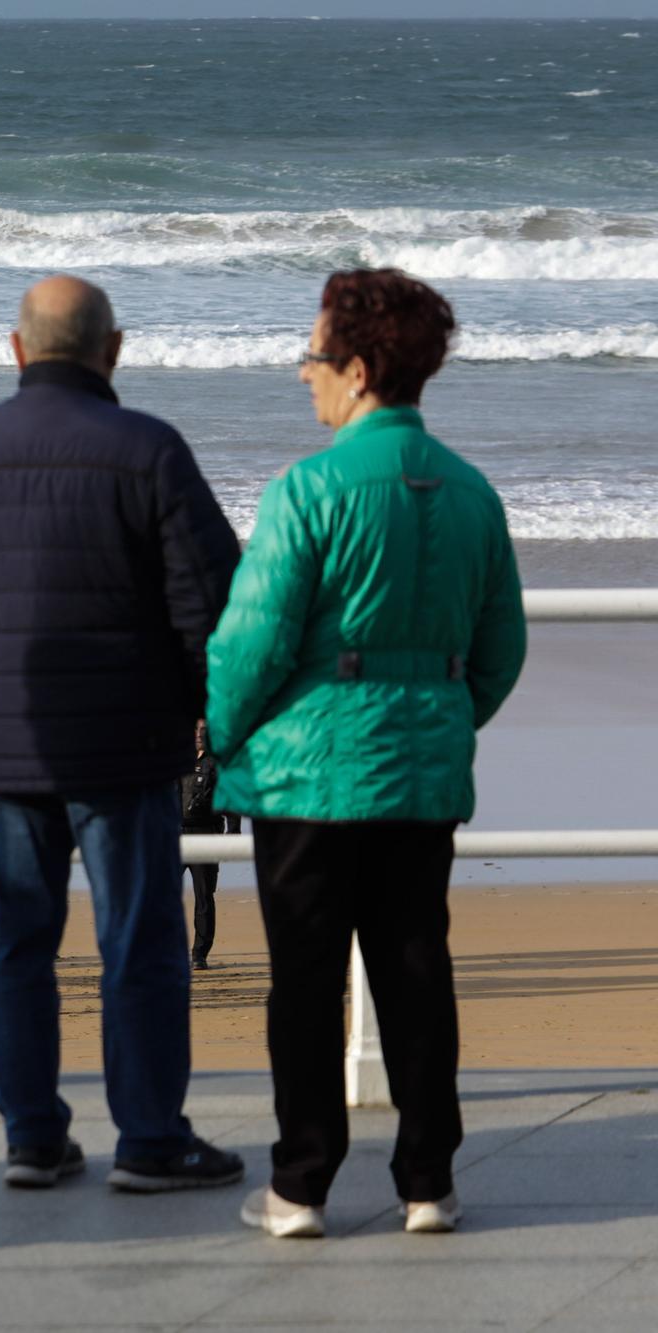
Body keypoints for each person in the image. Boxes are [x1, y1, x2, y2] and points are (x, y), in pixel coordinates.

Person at [0, 274, 246, 1193]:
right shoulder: (149, 450)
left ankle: (33, 1137)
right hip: (132, 750)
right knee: (139, 940)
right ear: (115, 349)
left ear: (16, 349)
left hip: (8, 750)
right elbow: (214, 601)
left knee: (21, 939)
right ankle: (148, 1138)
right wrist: (182, 703)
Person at [209, 269, 526, 1240]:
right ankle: (426, 1179)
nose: (301, 376)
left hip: (307, 774)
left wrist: (219, 731)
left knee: (303, 980)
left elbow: (251, 641)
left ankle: (300, 1184)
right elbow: (500, 647)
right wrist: (438, 713)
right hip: (422, 768)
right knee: (414, 967)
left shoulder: (307, 488)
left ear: (354, 369)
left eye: (309, 359)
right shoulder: (471, 493)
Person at [181, 720, 242, 970]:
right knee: (161, 896)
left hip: (206, 835)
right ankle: (166, 949)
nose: (198, 735)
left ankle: (199, 954)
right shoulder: (178, 759)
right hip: (175, 835)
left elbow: (231, 800)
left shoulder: (217, 763)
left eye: (203, 731)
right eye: (194, 730)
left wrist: (234, 833)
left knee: (204, 897)